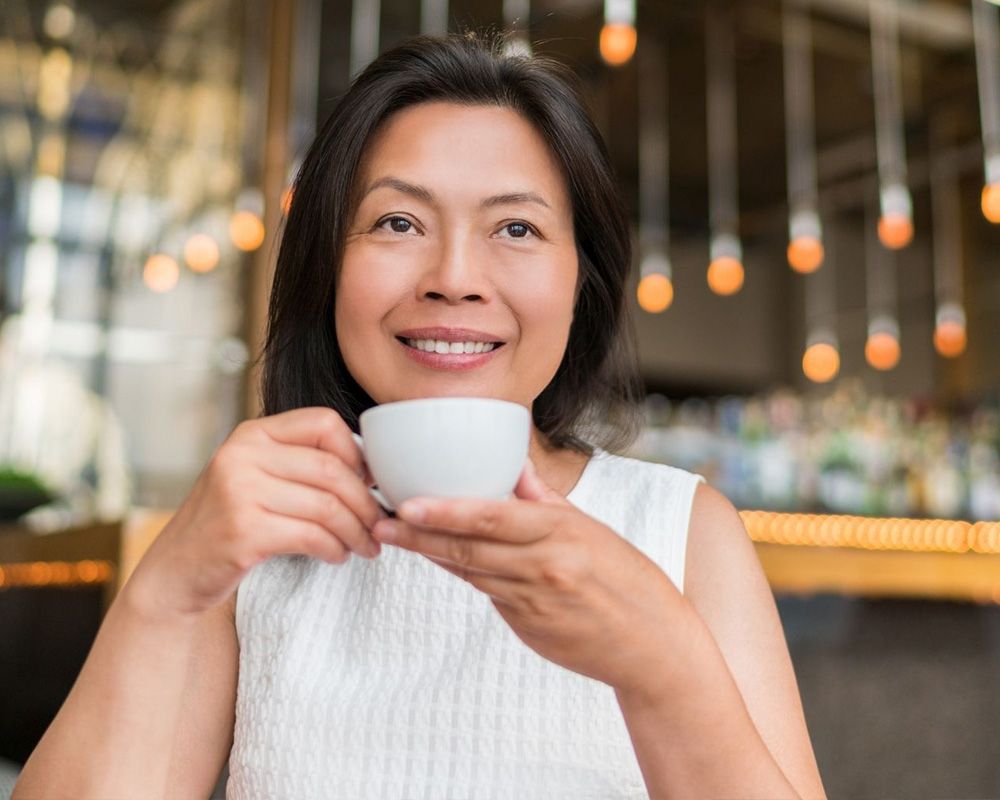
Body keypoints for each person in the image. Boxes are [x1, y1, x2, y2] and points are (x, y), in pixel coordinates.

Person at [15, 33, 826, 799]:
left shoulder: (678, 530)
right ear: (328, 266)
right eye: (398, 222)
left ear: (584, 281)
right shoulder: (257, 540)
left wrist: (665, 666)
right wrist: (165, 589)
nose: (455, 278)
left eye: (516, 227)